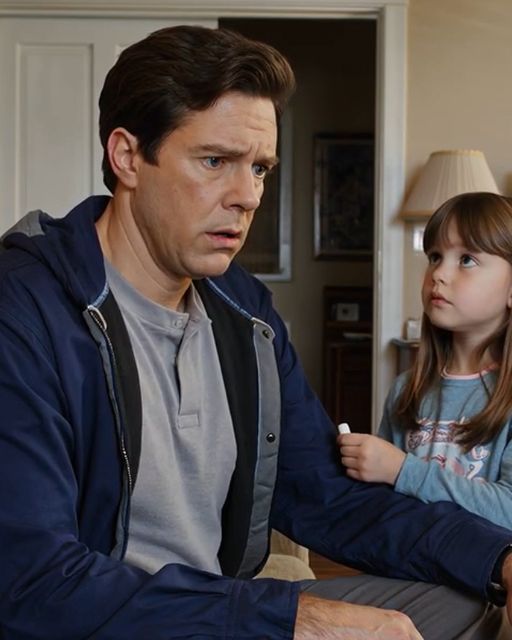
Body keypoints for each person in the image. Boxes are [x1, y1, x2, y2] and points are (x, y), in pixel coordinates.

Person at [0, 25, 511, 640]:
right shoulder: (25, 308)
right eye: (215, 161)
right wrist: (292, 619)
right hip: (109, 621)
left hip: (220, 611)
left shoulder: (245, 311)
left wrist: (498, 558)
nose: (247, 197)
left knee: (462, 597)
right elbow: (31, 583)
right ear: (127, 156)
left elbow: (326, 495)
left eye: (260, 168)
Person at [338, 192, 512, 532]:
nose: (439, 274)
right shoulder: (406, 389)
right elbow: (384, 502)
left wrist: (403, 470)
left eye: (466, 260)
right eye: (434, 256)